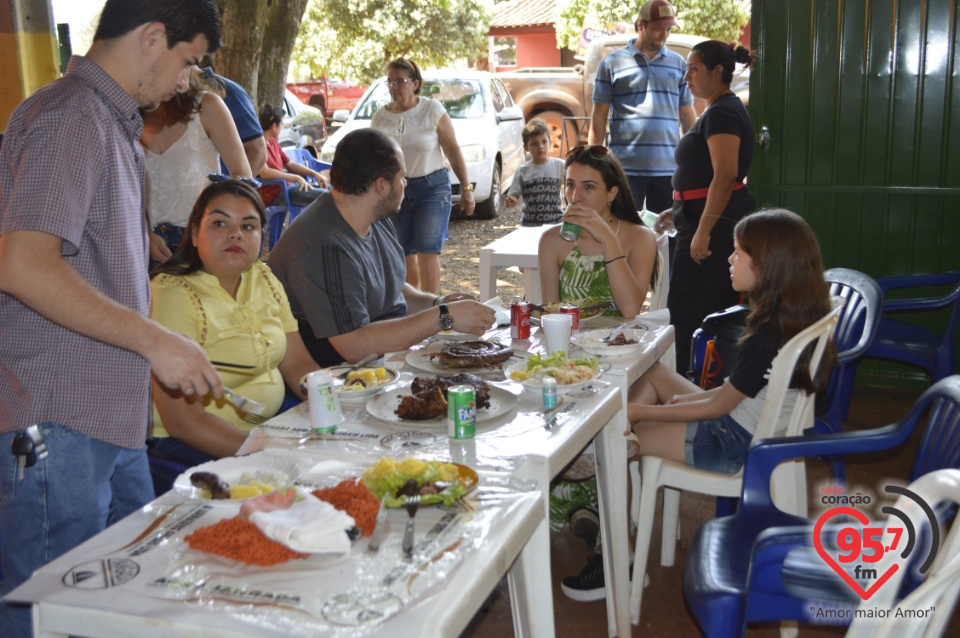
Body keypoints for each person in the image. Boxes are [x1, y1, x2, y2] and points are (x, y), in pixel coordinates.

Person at [0, 1, 224, 635]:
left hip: (110, 413)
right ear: (153, 38)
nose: (187, 81)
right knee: (45, 614)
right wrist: (155, 338)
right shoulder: (72, 115)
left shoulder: (110, 120)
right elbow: (24, 266)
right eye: (188, 60)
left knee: (131, 601)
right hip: (59, 416)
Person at [561, 208, 833, 602]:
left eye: (739, 253)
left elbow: (717, 409)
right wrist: (664, 407)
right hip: (748, 422)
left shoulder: (766, 335)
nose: (729, 258)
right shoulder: (792, 317)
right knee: (653, 373)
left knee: (612, 441)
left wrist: (642, 414)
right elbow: (735, 392)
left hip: (733, 442)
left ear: (770, 266)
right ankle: (629, 445)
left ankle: (619, 557)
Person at [268, 128, 495, 367]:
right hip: (343, 377)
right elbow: (353, 346)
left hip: (384, 359)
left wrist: (438, 303)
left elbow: (393, 292)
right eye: (401, 177)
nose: (405, 183)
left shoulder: (373, 216)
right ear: (382, 186)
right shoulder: (322, 245)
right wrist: (444, 317)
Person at [148, 179, 319, 489]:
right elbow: (182, 421)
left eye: (249, 226)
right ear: (195, 234)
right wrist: (266, 452)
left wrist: (333, 404)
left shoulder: (262, 276)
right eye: (219, 223)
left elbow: (297, 364)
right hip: (194, 444)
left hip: (269, 426)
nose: (235, 233)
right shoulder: (172, 293)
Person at [663, 40, 756, 375]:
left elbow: (726, 175)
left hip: (714, 229)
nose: (687, 76)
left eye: (694, 68)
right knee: (696, 310)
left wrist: (702, 230)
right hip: (701, 219)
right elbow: (704, 177)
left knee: (689, 313)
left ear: (718, 72)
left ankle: (686, 389)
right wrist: (676, 207)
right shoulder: (717, 110)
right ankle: (694, 384)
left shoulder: (723, 113)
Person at [370, 58, 475, 294]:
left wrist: (467, 189)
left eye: (400, 81)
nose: (394, 87)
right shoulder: (379, 118)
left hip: (432, 187)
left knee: (428, 249)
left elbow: (453, 150)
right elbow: (374, 158)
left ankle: (431, 306)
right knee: (403, 251)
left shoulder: (432, 110)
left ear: (415, 83)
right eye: (390, 82)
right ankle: (413, 308)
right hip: (396, 191)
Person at [589, 0, 696, 215]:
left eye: (667, 30)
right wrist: (594, 162)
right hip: (625, 168)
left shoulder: (678, 63)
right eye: (657, 29)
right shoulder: (611, 63)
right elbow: (598, 116)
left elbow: (686, 113)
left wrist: (693, 158)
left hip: (668, 168)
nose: (663, 35)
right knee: (623, 231)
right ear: (640, 25)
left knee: (668, 236)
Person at [141, 67, 253, 266]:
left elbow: (243, 178)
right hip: (144, 252)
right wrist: (145, 233)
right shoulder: (127, 118)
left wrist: (214, 229)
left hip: (203, 248)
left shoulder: (206, 106)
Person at [538, 145, 659, 319]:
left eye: (588, 187)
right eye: (570, 185)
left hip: (621, 342)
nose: (575, 197)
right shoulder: (552, 240)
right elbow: (551, 316)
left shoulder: (640, 237)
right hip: (570, 341)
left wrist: (608, 238)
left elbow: (630, 309)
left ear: (611, 193)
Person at [200, 57, 267, 175]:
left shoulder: (230, 93)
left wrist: (234, 191)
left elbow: (258, 151)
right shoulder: (167, 95)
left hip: (219, 187)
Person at [258, 103, 329, 208]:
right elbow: (265, 172)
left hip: (288, 187)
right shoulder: (258, 145)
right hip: (275, 194)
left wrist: (314, 174)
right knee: (327, 197)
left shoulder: (272, 142)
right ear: (274, 126)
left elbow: (289, 163)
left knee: (331, 190)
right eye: (282, 124)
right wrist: (295, 178)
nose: (282, 127)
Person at [504, 118, 565, 226]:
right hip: (530, 224)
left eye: (544, 142)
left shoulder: (560, 166)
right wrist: (512, 199)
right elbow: (514, 194)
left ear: (550, 143)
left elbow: (573, 185)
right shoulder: (523, 170)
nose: (540, 146)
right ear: (526, 147)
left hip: (556, 223)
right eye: (534, 144)